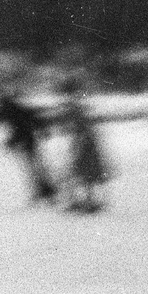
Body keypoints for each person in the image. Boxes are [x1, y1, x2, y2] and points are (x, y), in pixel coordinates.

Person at [0, 79, 57, 204]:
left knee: (34, 168)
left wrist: (10, 143)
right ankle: (45, 191)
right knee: (35, 167)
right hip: (27, 141)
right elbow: (33, 119)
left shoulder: (12, 112)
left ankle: (47, 192)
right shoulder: (16, 109)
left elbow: (21, 129)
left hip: (27, 141)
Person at [58, 77, 112, 213]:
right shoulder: (76, 108)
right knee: (82, 176)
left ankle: (87, 201)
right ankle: (82, 200)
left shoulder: (75, 110)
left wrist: (78, 145)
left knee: (83, 175)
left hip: (85, 146)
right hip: (84, 144)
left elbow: (83, 129)